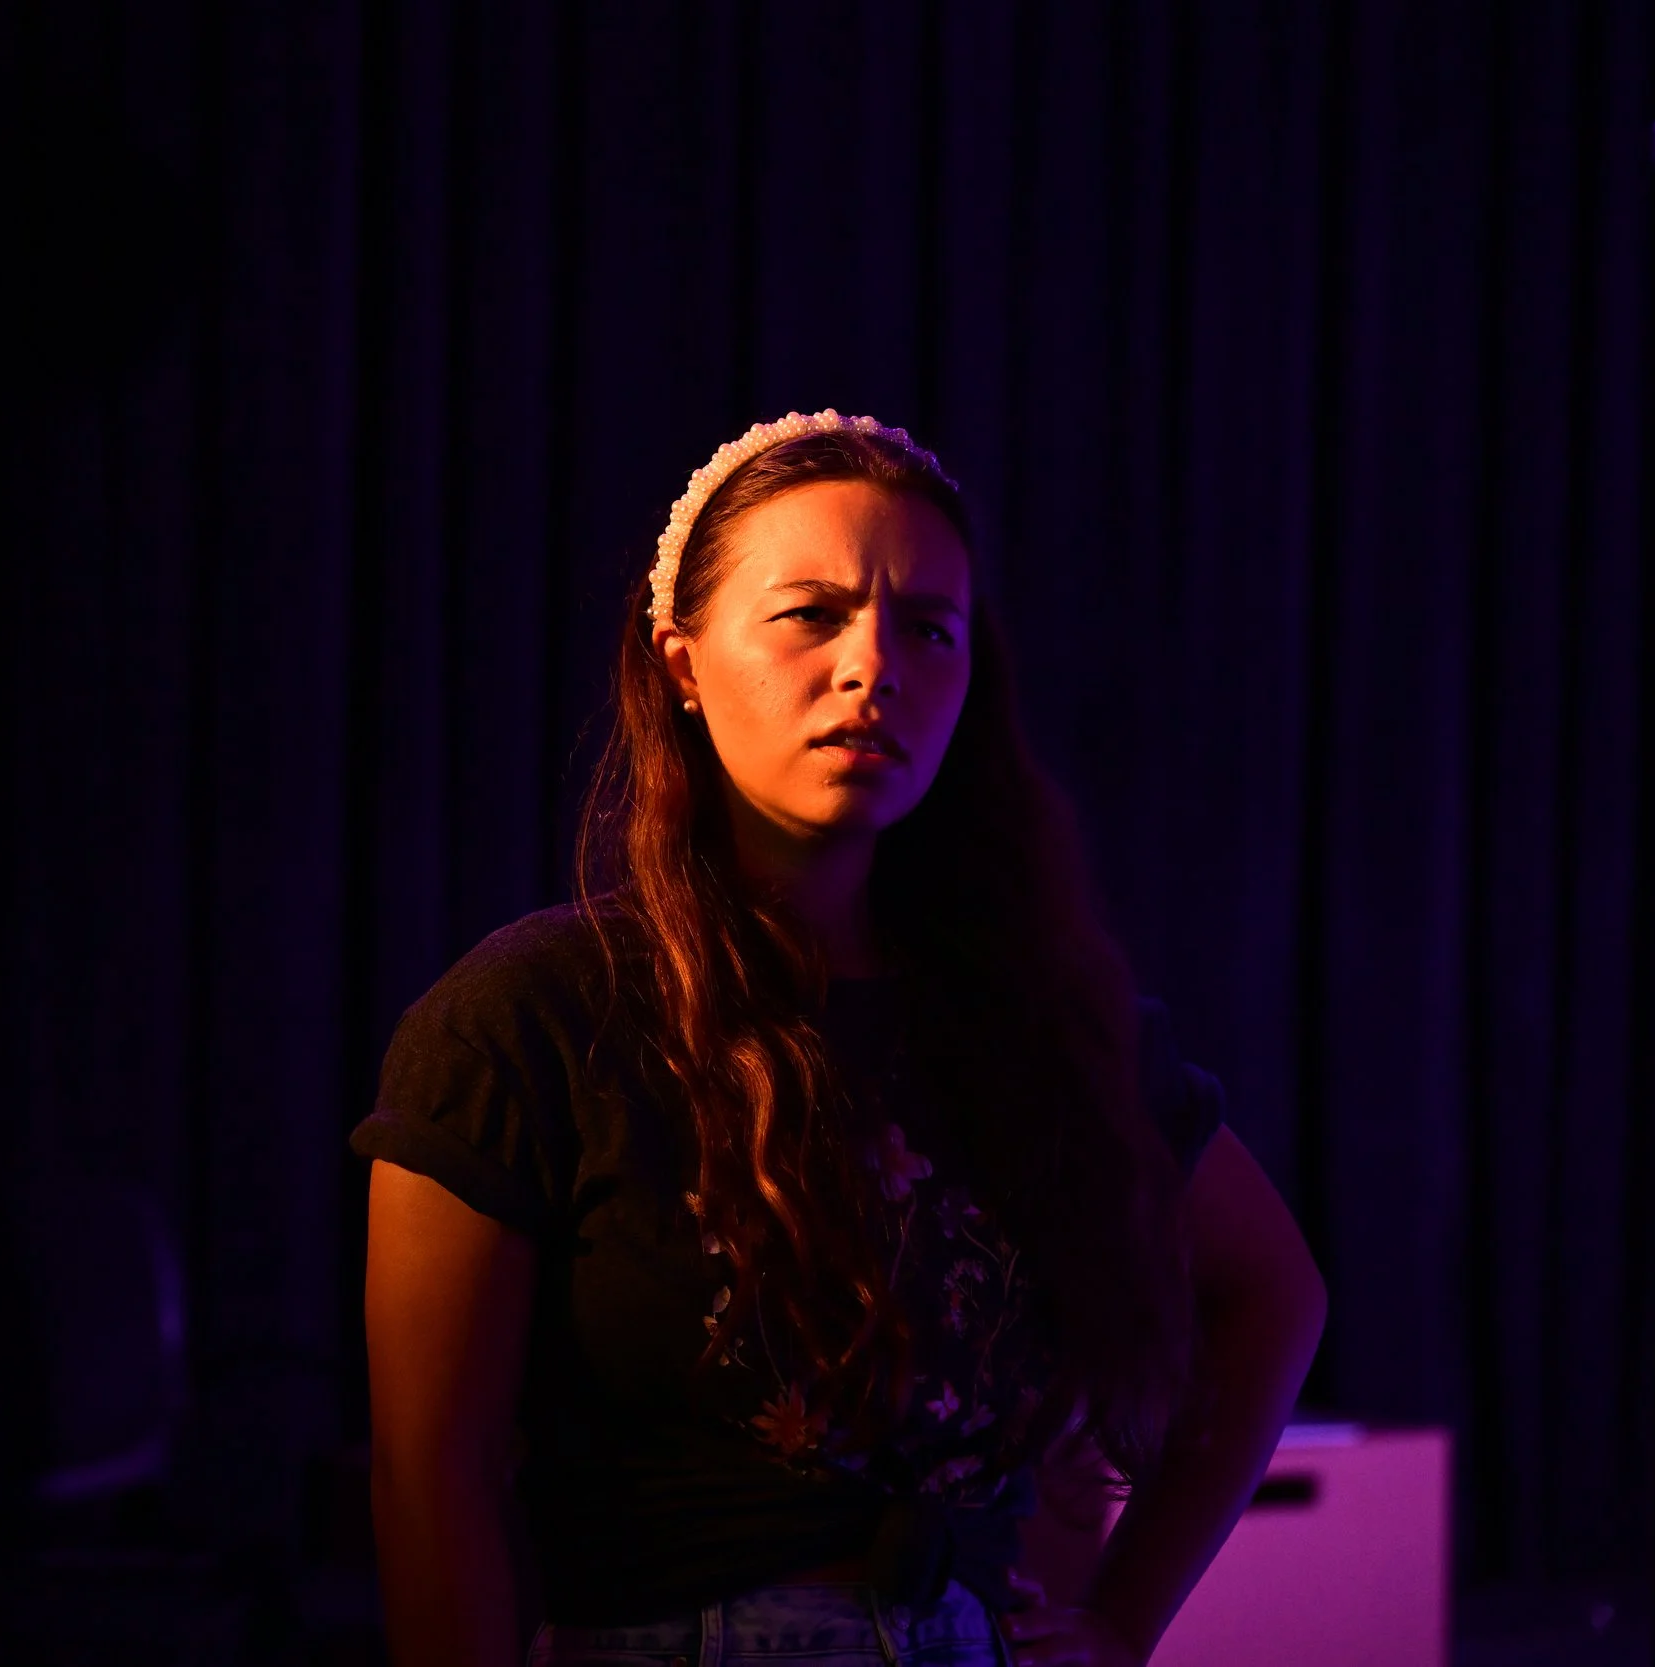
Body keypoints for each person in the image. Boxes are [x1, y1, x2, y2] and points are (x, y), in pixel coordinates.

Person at [353, 411, 1327, 1666]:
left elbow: (1273, 1296)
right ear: (680, 663)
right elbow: (433, 1478)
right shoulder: (530, 1019)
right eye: (809, 613)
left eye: (928, 627)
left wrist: (1120, 1621)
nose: (875, 665)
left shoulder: (1038, 1020)